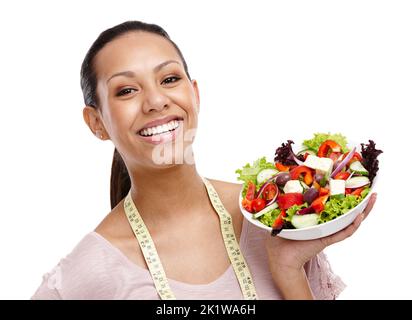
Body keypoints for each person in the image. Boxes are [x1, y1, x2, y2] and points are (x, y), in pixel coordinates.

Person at [32, 20, 376, 300]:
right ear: (96, 123)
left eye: (169, 79)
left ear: (194, 94)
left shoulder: (270, 217)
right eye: (126, 90)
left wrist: (287, 270)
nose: (155, 101)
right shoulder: (91, 273)